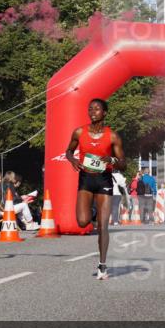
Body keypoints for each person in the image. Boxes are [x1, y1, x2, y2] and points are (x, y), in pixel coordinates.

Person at [65, 98, 126, 280]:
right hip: (86, 179)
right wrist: (73, 160)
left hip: (104, 180)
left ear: (104, 113)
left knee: (103, 226)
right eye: (90, 109)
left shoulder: (112, 136)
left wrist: (112, 160)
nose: (93, 112)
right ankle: (93, 212)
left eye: (97, 109)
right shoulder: (79, 132)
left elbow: (123, 163)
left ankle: (102, 265)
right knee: (82, 222)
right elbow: (68, 150)